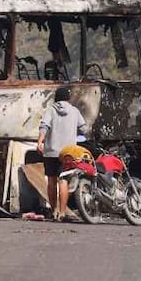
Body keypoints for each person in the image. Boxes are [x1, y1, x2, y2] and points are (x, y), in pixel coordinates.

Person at [37, 86, 89, 221]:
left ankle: (54, 211)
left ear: (56, 98)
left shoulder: (50, 110)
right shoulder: (75, 111)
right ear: (68, 98)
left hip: (51, 151)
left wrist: (40, 142)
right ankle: (62, 213)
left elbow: (44, 126)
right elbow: (84, 129)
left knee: (52, 181)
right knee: (63, 181)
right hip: (68, 153)